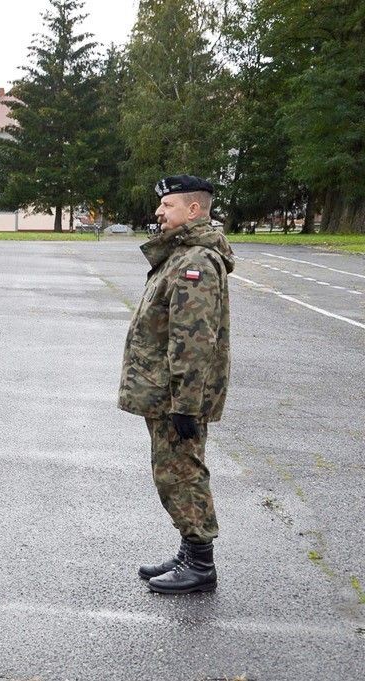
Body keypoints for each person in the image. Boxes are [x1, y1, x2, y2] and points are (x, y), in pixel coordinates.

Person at [118, 175, 234, 595]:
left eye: (167, 205)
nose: (158, 212)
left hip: (175, 397)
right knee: (172, 472)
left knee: (181, 474)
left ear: (194, 210)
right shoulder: (180, 254)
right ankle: (190, 551)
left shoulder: (196, 263)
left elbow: (193, 342)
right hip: (165, 392)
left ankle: (201, 564)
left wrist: (186, 405)